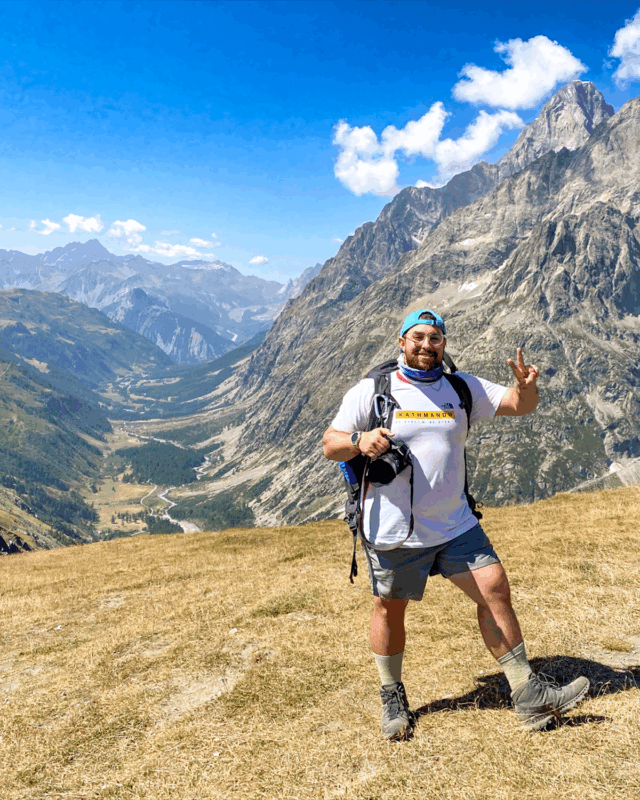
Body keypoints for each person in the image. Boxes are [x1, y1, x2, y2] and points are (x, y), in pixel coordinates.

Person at [322, 308, 589, 739]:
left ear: (444, 344)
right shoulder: (372, 390)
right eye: (419, 337)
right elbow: (330, 444)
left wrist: (527, 385)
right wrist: (359, 440)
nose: (427, 346)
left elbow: (521, 405)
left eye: (436, 339)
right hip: (394, 528)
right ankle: (392, 696)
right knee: (389, 609)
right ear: (402, 341)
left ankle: (528, 695)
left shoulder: (461, 387)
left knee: (494, 587)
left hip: (454, 523)